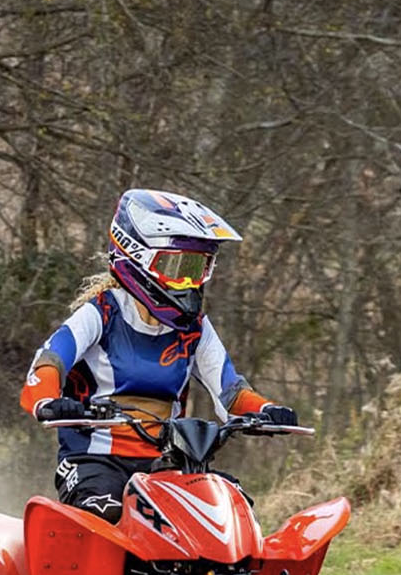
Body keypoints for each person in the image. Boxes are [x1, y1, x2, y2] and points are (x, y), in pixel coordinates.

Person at [19, 189, 299, 523]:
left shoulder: (195, 329)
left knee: (232, 509)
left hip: (168, 463)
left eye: (197, 268)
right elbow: (50, 360)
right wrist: (48, 401)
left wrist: (267, 411)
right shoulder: (101, 314)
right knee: (106, 516)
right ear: (137, 257)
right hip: (93, 462)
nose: (187, 281)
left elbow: (231, 392)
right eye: (177, 266)